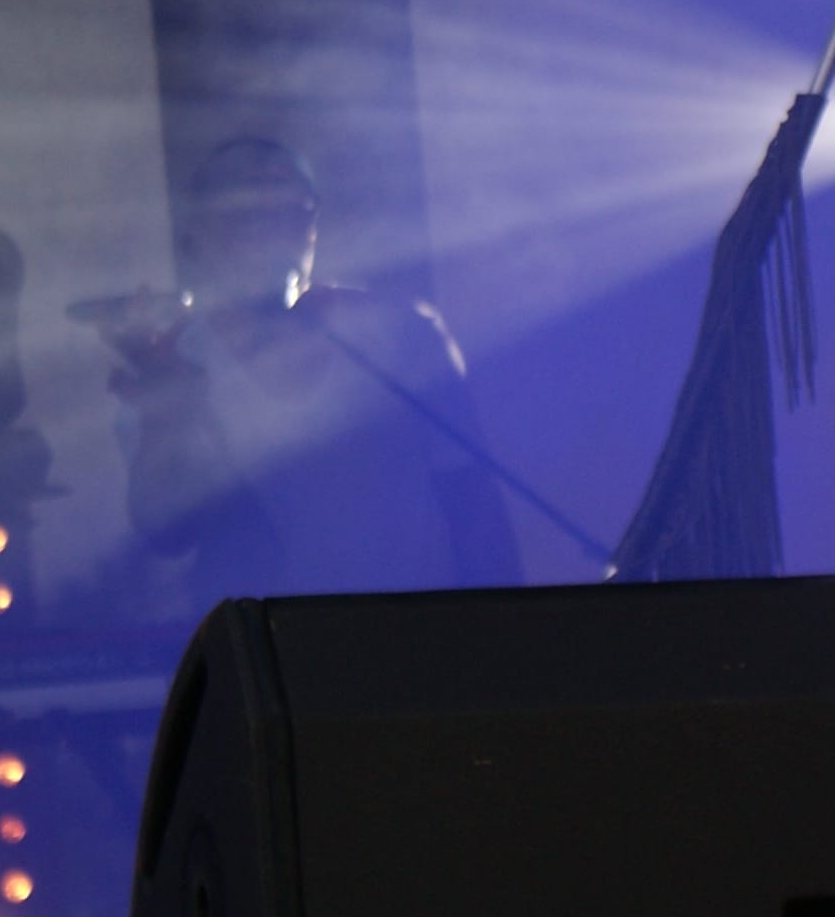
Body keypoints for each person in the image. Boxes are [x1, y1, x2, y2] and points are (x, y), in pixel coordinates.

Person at [96, 138, 521, 610]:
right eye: (242, 203)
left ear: (312, 225)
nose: (266, 216)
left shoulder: (400, 330)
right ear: (197, 228)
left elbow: (472, 497)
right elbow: (168, 534)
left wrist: (512, 629)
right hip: (270, 646)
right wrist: (167, 412)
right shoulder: (171, 361)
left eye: (286, 201)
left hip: (417, 634)